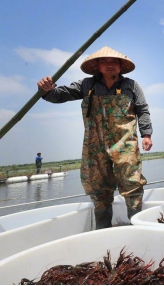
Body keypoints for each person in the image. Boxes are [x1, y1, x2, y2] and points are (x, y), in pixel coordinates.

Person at [37, 46, 153, 229]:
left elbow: (142, 110)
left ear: (121, 66)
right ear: (97, 66)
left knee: (132, 185)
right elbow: (59, 95)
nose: (109, 65)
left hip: (125, 144)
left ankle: (138, 228)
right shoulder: (86, 85)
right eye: (104, 62)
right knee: (99, 190)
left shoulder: (131, 86)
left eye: (114, 62)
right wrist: (46, 89)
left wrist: (146, 134)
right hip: (94, 145)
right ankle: (103, 232)